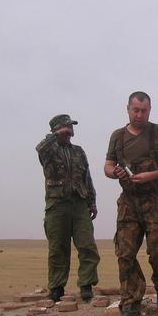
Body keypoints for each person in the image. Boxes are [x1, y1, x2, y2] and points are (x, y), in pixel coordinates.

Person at [104, 92, 158, 316]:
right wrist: (113, 172)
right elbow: (107, 166)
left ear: (150, 110)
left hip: (156, 200)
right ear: (127, 109)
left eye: (144, 111)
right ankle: (131, 305)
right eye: (135, 110)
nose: (139, 115)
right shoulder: (117, 137)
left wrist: (152, 175)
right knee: (125, 254)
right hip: (129, 202)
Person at [36, 114, 100, 303]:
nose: (70, 130)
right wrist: (55, 136)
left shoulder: (78, 151)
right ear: (56, 129)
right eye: (66, 126)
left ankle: (86, 286)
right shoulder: (48, 150)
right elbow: (39, 149)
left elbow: (87, 177)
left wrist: (92, 201)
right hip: (57, 204)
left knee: (87, 245)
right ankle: (56, 288)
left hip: (79, 203)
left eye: (71, 126)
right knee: (58, 249)